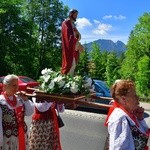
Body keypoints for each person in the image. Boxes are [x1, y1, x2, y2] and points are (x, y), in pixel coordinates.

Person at [104, 79, 150, 150]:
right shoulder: (120, 118)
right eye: (134, 96)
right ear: (123, 99)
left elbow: (143, 133)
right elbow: (116, 148)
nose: (137, 98)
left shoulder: (130, 114)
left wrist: (140, 118)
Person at [0, 74, 34, 150]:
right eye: (13, 85)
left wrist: (26, 99)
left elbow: (29, 113)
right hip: (7, 138)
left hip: (21, 135)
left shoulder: (20, 99)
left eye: (17, 85)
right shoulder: (1, 101)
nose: (16, 88)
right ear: (5, 86)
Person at [61, 9, 84, 75]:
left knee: (73, 65)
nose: (76, 16)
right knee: (69, 64)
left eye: (77, 15)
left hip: (74, 47)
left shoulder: (72, 24)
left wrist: (77, 35)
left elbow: (78, 36)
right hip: (69, 47)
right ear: (71, 14)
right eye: (75, 15)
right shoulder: (66, 23)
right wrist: (76, 43)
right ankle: (67, 81)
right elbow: (68, 36)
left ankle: (70, 80)